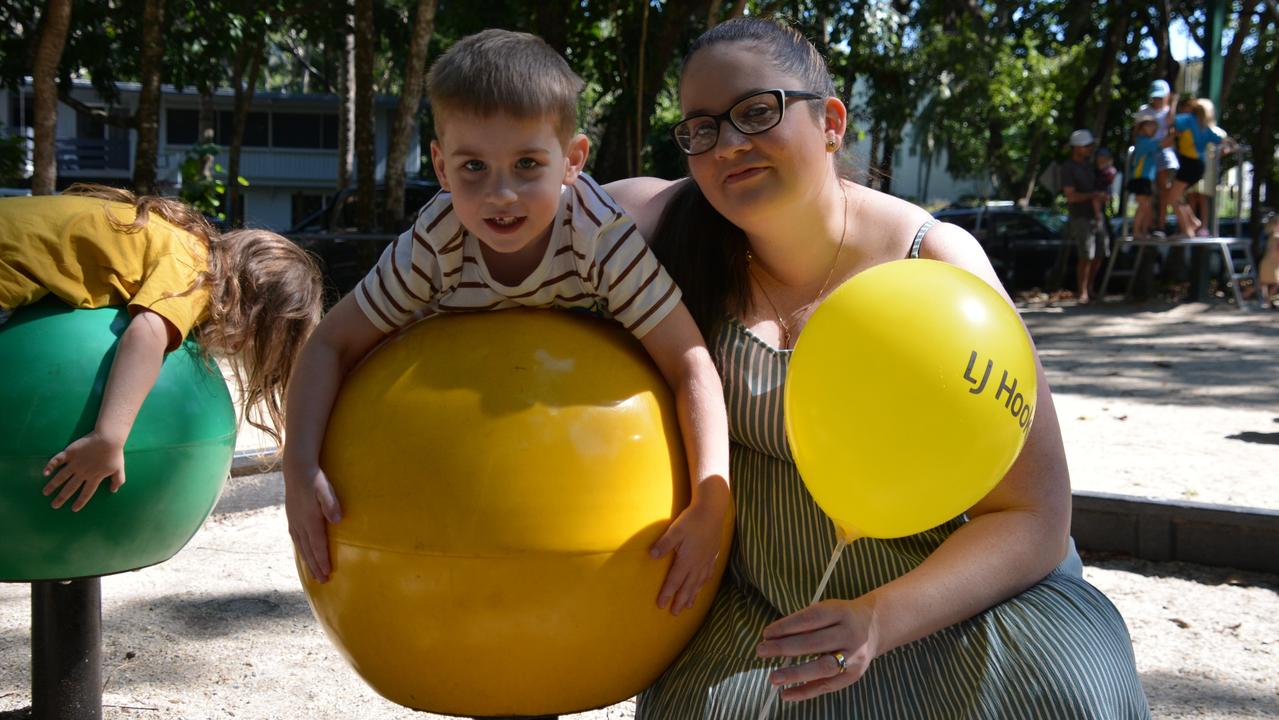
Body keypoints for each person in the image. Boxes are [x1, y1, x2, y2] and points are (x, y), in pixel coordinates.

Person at [605, 17, 1149, 719]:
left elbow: (1035, 516)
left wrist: (877, 620)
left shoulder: (939, 261)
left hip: (959, 606)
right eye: (701, 128)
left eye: (756, 111)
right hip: (771, 610)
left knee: (1060, 699)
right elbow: (532, 200)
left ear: (829, 122)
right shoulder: (679, 236)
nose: (728, 143)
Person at [283, 26, 731, 689]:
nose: (500, 195)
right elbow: (330, 342)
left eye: (527, 165)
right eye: (473, 168)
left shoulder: (597, 236)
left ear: (572, 158)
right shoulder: (436, 239)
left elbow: (689, 359)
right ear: (439, 167)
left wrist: (710, 498)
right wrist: (298, 467)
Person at [0, 185, 324, 511]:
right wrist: (108, 438)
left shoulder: (178, 245)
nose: (239, 346)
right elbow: (146, 335)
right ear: (251, 309)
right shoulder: (196, 273)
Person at [1061, 128, 1110, 304]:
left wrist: (1102, 196)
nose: (1090, 149)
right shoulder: (1068, 168)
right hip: (1080, 216)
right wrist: (1093, 196)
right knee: (1085, 255)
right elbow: (1071, 196)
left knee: (1100, 253)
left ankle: (1090, 288)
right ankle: (1082, 292)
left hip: (1097, 216)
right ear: (1077, 147)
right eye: (1087, 146)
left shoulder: (1091, 166)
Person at [1170, 98, 1229, 238]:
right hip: (1196, 166)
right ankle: (1193, 222)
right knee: (1178, 197)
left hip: (1190, 165)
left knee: (1172, 198)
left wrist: (1172, 102)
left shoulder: (1188, 120)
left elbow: (1170, 120)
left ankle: (1187, 231)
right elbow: (1223, 141)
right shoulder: (1203, 125)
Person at [1138, 79, 1179, 237]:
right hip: (1148, 154)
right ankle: (1145, 226)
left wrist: (1173, 104)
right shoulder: (1144, 111)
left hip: (1164, 153)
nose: (1157, 100)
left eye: (1161, 97)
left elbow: (1171, 127)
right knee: (1145, 191)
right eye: (1155, 97)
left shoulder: (1169, 112)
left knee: (1164, 189)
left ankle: (1160, 225)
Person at [1128, 110, 1162, 241]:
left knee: (1145, 206)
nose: (1153, 130)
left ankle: (1142, 230)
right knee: (1143, 206)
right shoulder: (1142, 141)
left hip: (1146, 178)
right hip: (1140, 178)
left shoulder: (1147, 141)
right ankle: (1137, 231)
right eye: (1150, 126)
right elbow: (1162, 144)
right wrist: (1173, 133)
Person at [1259, 214, 1279, 308]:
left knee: (1263, 283)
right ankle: (1267, 300)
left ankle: (1266, 301)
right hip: (1271, 264)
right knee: (1275, 283)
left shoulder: (1270, 236)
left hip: (1267, 263)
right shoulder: (1276, 237)